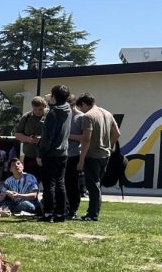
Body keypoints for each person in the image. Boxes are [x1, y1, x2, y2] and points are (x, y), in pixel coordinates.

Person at [74, 93, 120, 222]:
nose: (81, 111)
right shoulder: (107, 113)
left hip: (92, 155)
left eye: (81, 107)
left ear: (84, 104)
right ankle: (93, 211)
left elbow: (86, 139)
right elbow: (117, 133)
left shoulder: (88, 116)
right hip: (105, 155)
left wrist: (81, 159)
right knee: (97, 184)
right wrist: (109, 146)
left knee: (93, 185)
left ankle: (93, 214)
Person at [38, 85, 72, 223]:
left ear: (54, 96)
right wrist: (52, 101)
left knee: (49, 185)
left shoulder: (53, 113)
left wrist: (41, 152)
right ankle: (60, 214)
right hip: (63, 152)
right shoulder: (68, 109)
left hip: (51, 153)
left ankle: (47, 213)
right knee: (60, 183)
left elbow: (48, 136)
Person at [64, 93, 87, 220]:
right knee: (62, 183)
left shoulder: (81, 117)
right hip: (62, 154)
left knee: (72, 183)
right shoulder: (63, 116)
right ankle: (63, 207)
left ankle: (73, 208)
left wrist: (67, 135)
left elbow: (84, 138)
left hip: (74, 155)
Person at [13, 96, 47, 181]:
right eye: (35, 109)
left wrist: (42, 139)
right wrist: (28, 139)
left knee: (47, 182)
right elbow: (17, 134)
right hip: (30, 155)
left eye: (40, 110)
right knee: (30, 182)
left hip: (46, 156)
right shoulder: (27, 117)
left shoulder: (50, 116)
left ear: (44, 107)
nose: (38, 112)